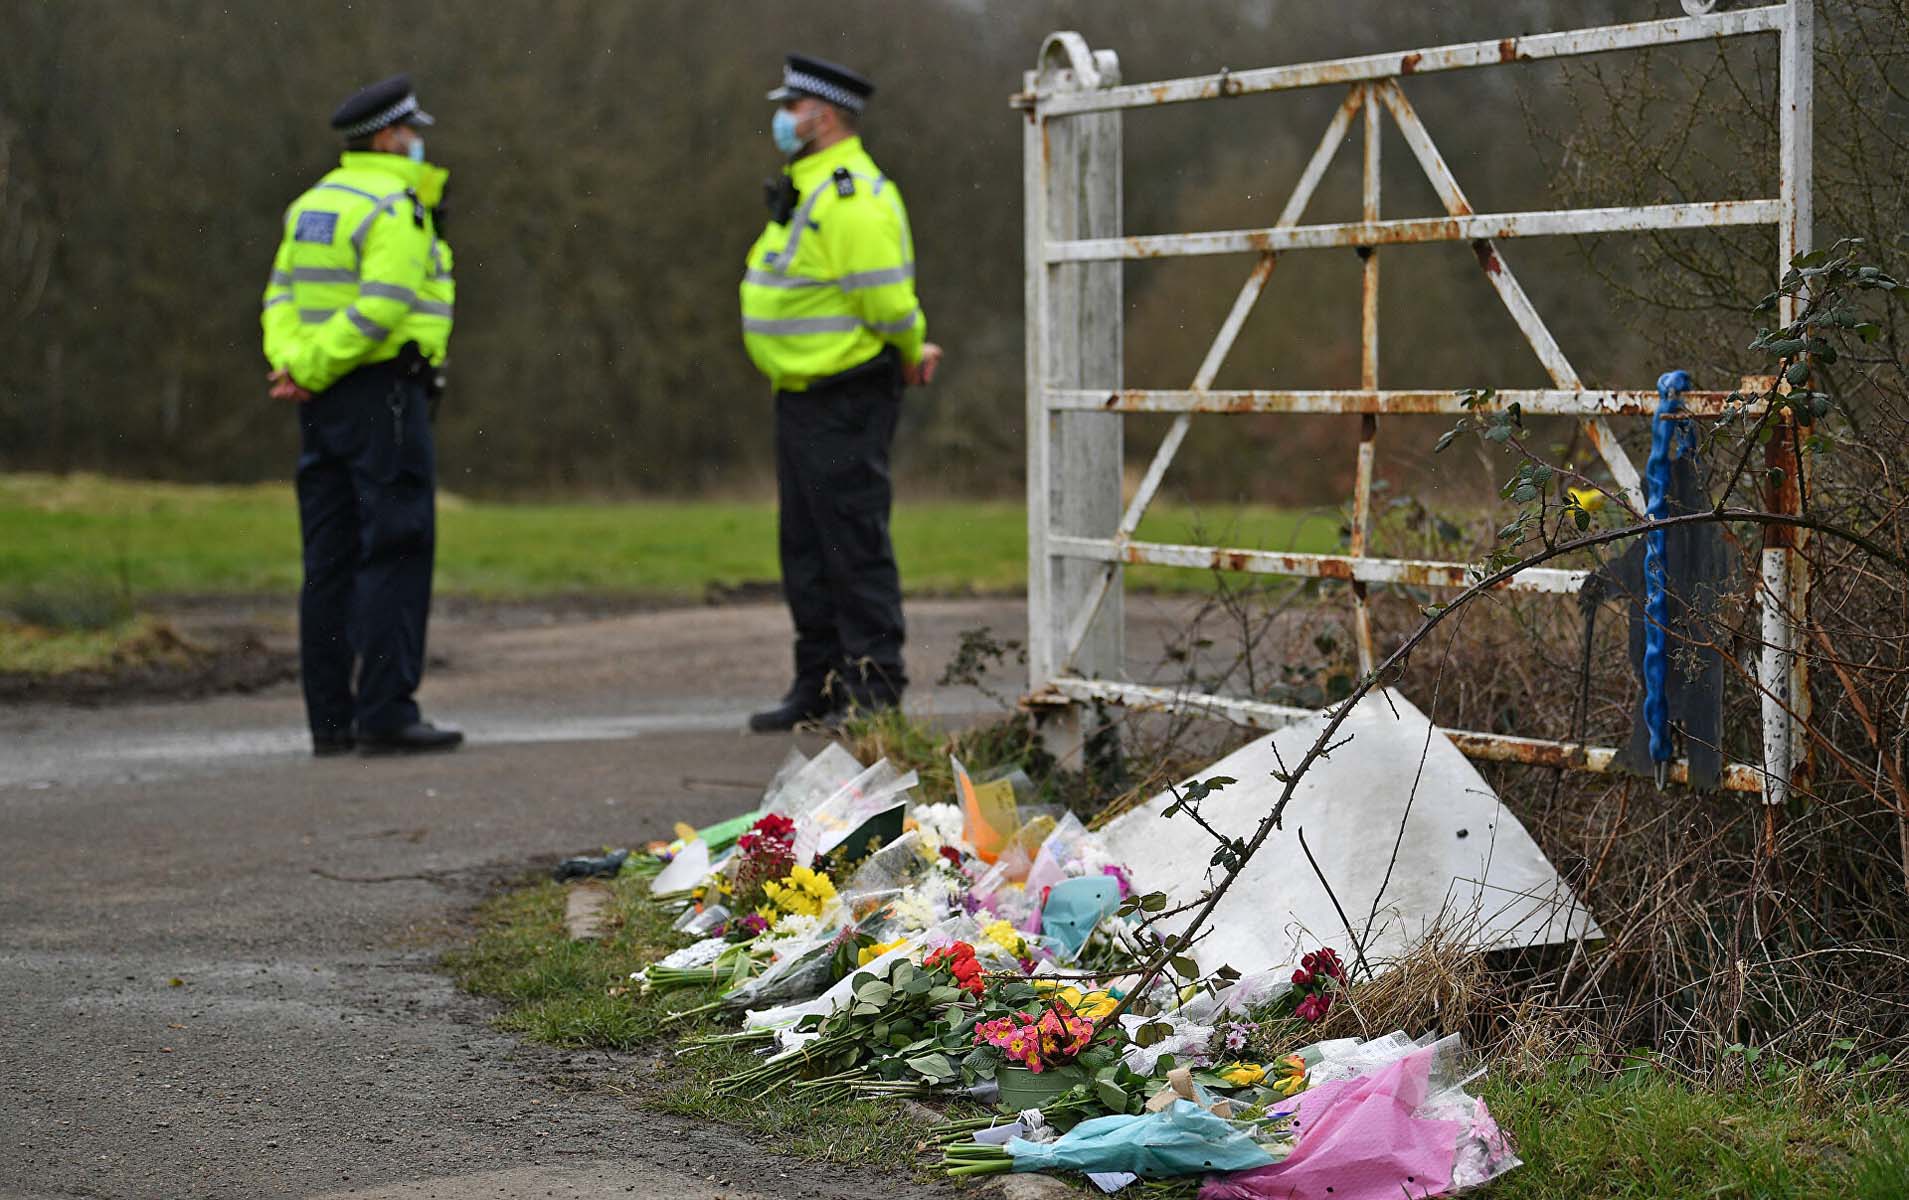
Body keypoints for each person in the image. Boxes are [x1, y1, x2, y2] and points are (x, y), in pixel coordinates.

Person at [741, 54, 944, 733]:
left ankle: (875, 689)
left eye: (791, 108)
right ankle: (819, 682)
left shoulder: (849, 193)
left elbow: (885, 298)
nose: (782, 118)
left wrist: (913, 347)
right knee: (805, 547)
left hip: (845, 393)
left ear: (821, 116)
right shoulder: (810, 186)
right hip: (801, 394)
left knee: (852, 543)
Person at [260, 75, 462, 757]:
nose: (417, 142)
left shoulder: (311, 205)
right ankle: (385, 712)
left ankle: (330, 720)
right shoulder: (394, 205)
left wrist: (296, 366)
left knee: (329, 557)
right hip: (383, 396)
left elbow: (280, 297)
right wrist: (318, 367)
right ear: (387, 136)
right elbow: (381, 307)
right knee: (395, 548)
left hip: (319, 403)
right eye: (410, 131)